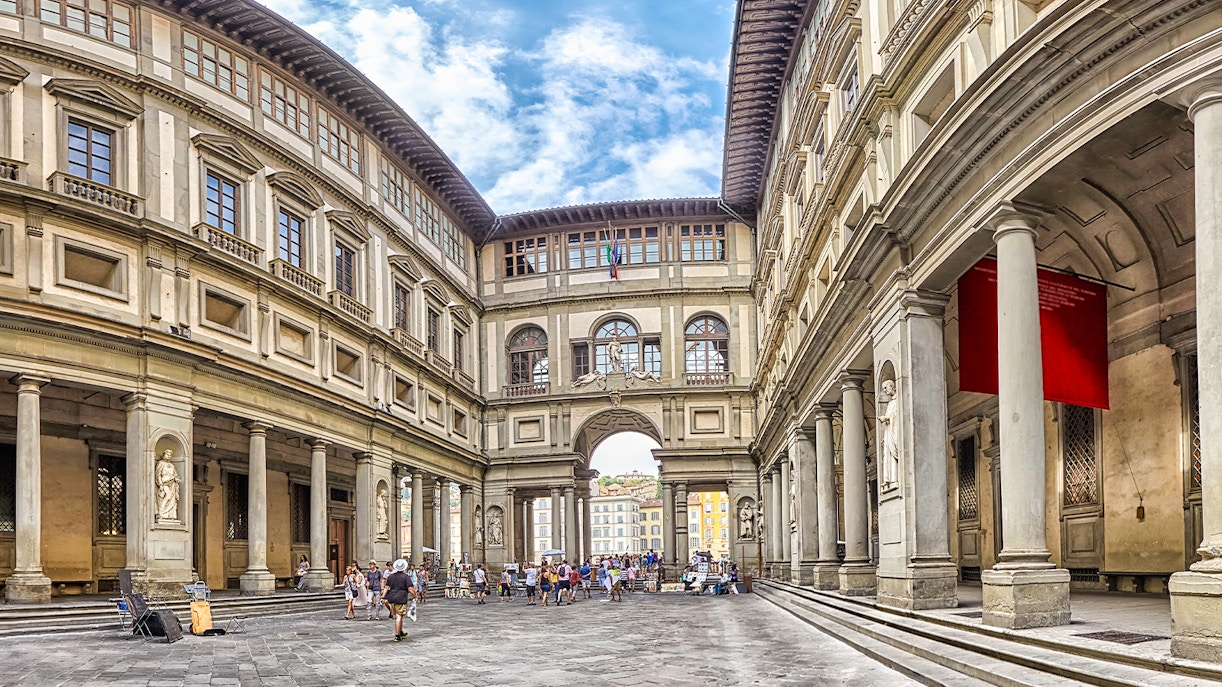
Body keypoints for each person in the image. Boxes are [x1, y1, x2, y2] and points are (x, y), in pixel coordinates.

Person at [384, 559, 414, 642]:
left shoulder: (391, 576)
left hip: (392, 598)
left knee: (398, 615)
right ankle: (397, 635)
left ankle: (400, 632)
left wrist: (383, 596)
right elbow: (410, 588)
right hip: (401, 597)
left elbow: (386, 587)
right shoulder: (405, 577)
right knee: (399, 616)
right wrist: (415, 596)